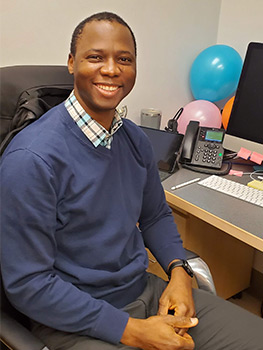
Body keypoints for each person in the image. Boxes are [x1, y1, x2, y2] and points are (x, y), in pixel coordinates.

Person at [1, 11, 262, 350]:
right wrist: (132, 330)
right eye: (95, 57)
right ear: (71, 63)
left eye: (124, 59)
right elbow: (29, 284)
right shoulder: (31, 160)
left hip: (145, 292)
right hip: (72, 318)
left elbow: (155, 215)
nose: (111, 69)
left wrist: (179, 272)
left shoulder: (134, 140)